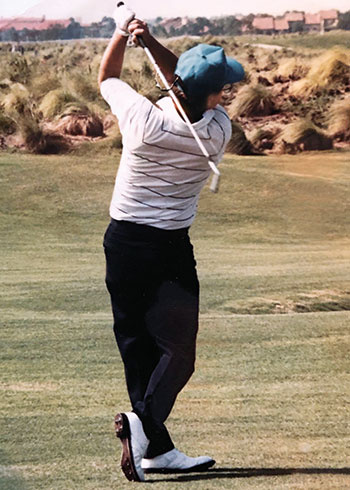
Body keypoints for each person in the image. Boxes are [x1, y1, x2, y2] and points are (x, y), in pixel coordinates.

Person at [98, 3, 244, 483]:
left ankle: (154, 448)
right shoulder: (219, 131)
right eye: (225, 87)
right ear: (217, 94)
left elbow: (108, 76)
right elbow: (182, 76)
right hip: (169, 250)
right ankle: (145, 429)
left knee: (137, 345)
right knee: (177, 351)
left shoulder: (139, 118)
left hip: (122, 244)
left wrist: (125, 34)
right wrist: (152, 39)